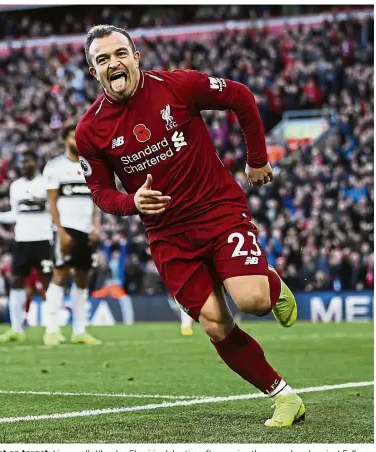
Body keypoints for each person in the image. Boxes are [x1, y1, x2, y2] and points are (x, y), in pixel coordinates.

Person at [75, 25, 305, 427]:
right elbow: (99, 191)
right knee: (215, 322)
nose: (114, 63)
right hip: (168, 236)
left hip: (217, 212)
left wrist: (256, 159)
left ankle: (267, 282)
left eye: (119, 54)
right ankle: (284, 397)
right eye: (103, 59)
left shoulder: (177, 86)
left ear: (136, 56)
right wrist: (132, 202)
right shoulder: (90, 130)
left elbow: (240, 96)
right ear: (93, 71)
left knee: (252, 302)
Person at [42, 125, 102, 346]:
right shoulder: (55, 167)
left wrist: (96, 226)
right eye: (72, 137)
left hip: (86, 229)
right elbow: (51, 202)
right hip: (66, 228)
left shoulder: (92, 166)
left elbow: (96, 199)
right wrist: (60, 230)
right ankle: (51, 329)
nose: (77, 141)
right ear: (65, 140)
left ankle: (80, 330)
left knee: (82, 278)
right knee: (60, 274)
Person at [0, 151, 54, 342]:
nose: (24, 165)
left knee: (47, 283)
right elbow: (15, 214)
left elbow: (53, 210)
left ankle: (52, 329)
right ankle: (16, 329)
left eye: (27, 161)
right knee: (17, 280)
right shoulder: (15, 186)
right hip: (22, 240)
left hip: (43, 239)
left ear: (36, 162)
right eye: (21, 162)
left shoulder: (47, 183)